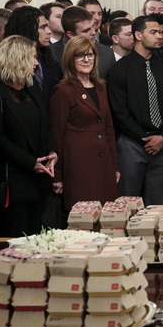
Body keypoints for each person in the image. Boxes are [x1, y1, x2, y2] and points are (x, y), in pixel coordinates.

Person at [0, 35, 58, 236]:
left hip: (40, 180)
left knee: (40, 236)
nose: (37, 63)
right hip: (15, 180)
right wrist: (29, 162)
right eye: (33, 58)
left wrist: (52, 151)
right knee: (17, 238)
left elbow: (46, 125)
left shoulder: (32, 89)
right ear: (17, 59)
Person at [107, 14, 163, 205]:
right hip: (131, 143)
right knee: (127, 204)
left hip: (162, 145)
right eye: (153, 32)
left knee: (158, 206)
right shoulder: (119, 70)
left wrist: (162, 137)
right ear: (138, 35)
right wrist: (144, 138)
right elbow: (119, 111)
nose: (160, 36)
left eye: (162, 32)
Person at [50, 35, 119, 209]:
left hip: (103, 164)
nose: (86, 60)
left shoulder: (101, 86)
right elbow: (56, 135)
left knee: (107, 216)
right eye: (80, 55)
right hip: (78, 165)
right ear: (70, 59)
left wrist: (114, 166)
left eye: (90, 55)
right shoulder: (63, 90)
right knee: (83, 217)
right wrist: (57, 175)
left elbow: (108, 128)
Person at [3, 6, 64, 108]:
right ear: (27, 29)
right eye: (43, 27)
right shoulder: (5, 66)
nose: (49, 31)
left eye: (48, 26)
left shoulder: (52, 64)